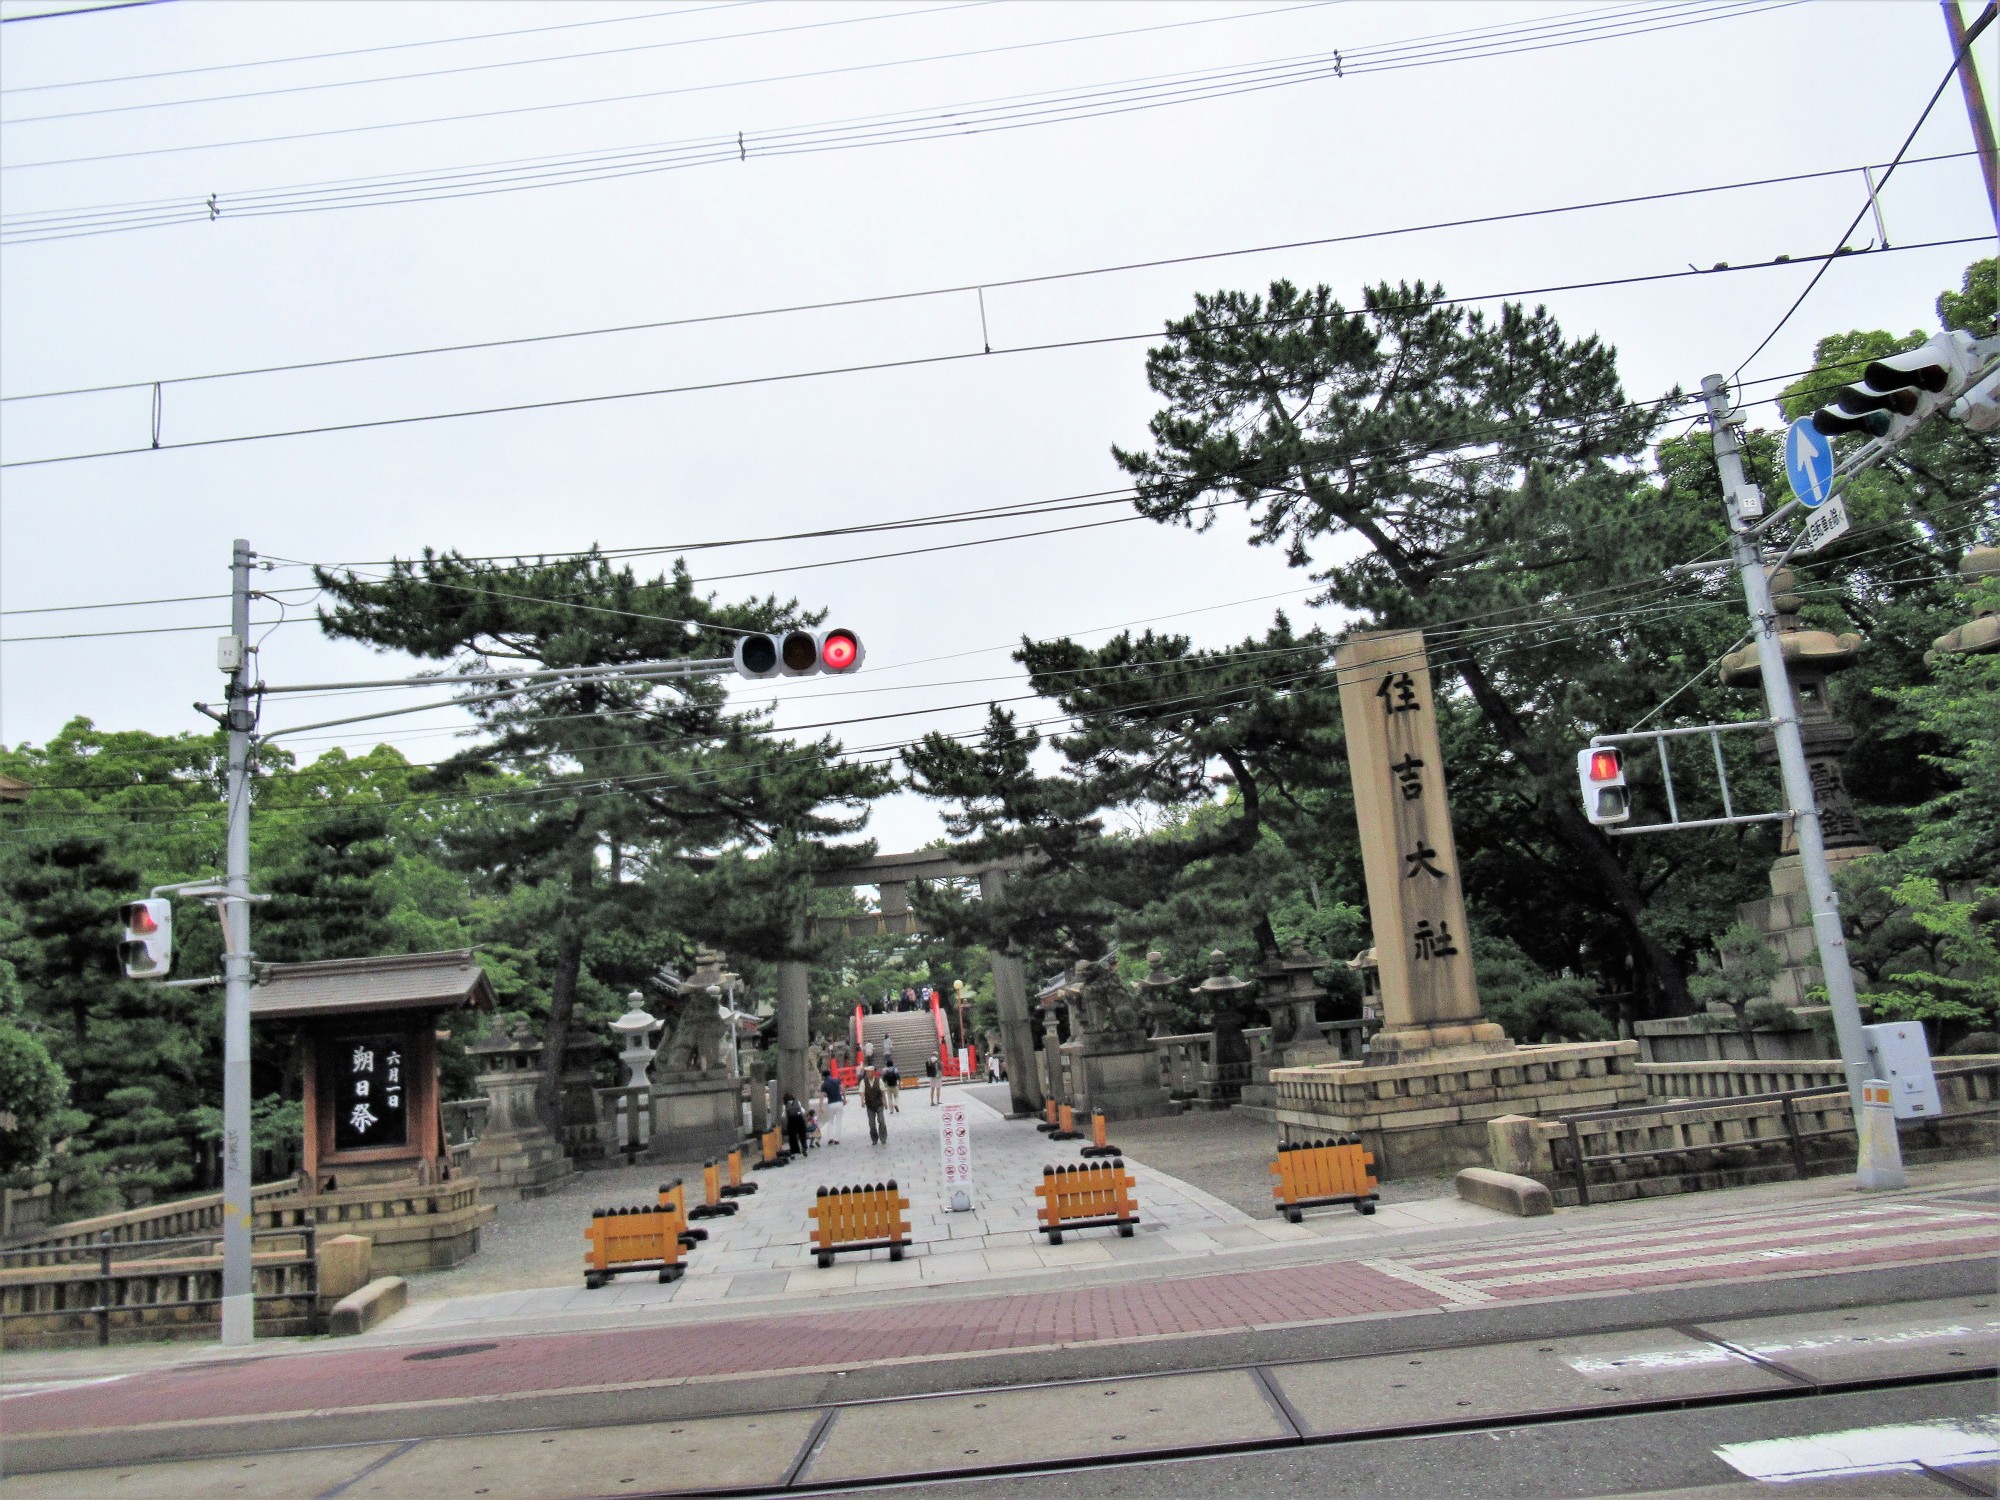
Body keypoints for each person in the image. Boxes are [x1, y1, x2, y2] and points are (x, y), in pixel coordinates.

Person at [862, 1068, 889, 1145]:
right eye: (867, 1072)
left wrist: (885, 1102)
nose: (868, 1074)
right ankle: (874, 1138)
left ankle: (883, 1137)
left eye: (869, 1072)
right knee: (872, 1124)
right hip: (870, 1105)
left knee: (881, 1120)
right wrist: (862, 1101)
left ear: (873, 1072)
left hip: (879, 1104)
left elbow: (883, 1091)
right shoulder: (864, 1081)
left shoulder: (879, 1080)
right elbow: (862, 1092)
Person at [820, 1067, 845, 1145]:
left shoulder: (824, 1084)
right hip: (839, 1102)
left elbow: (822, 1096)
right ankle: (837, 1139)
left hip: (831, 1103)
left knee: (830, 1121)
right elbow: (843, 1089)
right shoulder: (836, 1080)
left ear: (823, 1076)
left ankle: (831, 1138)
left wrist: (821, 1106)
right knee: (838, 1121)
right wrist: (844, 1098)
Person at [782, 1092, 809, 1158]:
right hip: (800, 1120)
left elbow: (783, 1115)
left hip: (791, 1122)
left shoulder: (785, 1105)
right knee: (802, 1135)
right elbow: (803, 1111)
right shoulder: (798, 1102)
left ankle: (794, 1152)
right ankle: (804, 1148)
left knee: (792, 1137)